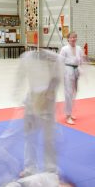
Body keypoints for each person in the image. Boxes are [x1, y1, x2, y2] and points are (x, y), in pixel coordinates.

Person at [14, 48, 64, 176]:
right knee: (29, 136)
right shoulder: (27, 57)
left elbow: (58, 78)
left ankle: (51, 169)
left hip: (48, 102)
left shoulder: (54, 58)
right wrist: (17, 94)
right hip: (31, 101)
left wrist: (48, 94)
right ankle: (30, 168)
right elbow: (20, 76)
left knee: (49, 137)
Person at [58, 32, 84, 125]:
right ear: (68, 39)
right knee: (68, 93)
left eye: (75, 37)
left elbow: (81, 60)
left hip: (76, 70)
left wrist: (81, 68)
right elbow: (60, 61)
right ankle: (67, 116)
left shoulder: (79, 48)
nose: (73, 39)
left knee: (74, 92)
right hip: (67, 70)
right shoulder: (64, 49)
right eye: (71, 37)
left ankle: (70, 112)